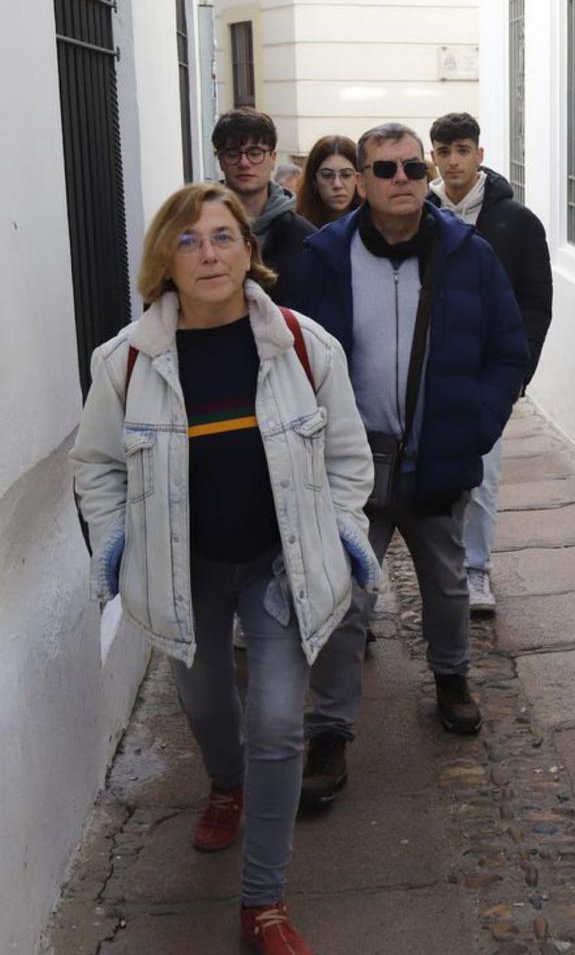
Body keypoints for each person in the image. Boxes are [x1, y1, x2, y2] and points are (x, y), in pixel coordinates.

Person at [71, 184, 381, 955]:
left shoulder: (305, 346)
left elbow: (348, 458)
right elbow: (97, 467)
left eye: (222, 236)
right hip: (185, 571)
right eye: (188, 240)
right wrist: (119, 547)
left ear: (249, 249)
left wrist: (337, 533)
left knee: (277, 723)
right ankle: (225, 781)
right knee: (208, 702)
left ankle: (262, 901)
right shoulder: (128, 362)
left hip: (281, 564)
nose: (208, 253)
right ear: (163, 262)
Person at [287, 121, 528, 806]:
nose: (402, 180)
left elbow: (506, 348)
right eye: (385, 169)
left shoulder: (468, 254)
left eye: (413, 169)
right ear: (358, 181)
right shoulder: (324, 257)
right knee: (345, 600)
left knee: (448, 586)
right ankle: (330, 727)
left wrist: (475, 426)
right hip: (351, 464)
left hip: (436, 457)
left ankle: (452, 677)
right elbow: (291, 354)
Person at [428, 112, 553, 616]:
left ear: (480, 154)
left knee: (483, 470)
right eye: (443, 151)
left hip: (486, 371)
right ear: (432, 157)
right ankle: (441, 567)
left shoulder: (515, 221)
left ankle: (476, 568)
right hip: (426, 365)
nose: (453, 161)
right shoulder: (417, 213)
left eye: (462, 150)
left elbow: (535, 303)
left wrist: (520, 373)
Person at [213, 108, 316, 303]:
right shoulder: (196, 229)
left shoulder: (305, 239)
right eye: (232, 153)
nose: (244, 163)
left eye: (255, 153)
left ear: (273, 157)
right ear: (220, 160)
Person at [295, 134, 362, 229]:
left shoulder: (377, 227)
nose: (337, 184)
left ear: (359, 179)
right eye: (327, 175)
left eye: (346, 175)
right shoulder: (296, 228)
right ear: (314, 180)